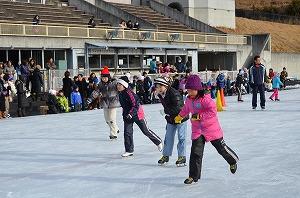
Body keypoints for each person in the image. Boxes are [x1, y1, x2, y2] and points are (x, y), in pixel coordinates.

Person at [174, 75, 239, 184]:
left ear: (197, 89)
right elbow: (185, 109)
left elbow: (212, 111)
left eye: (191, 90)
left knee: (221, 149)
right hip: (197, 130)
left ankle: (233, 161)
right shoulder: (189, 100)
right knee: (195, 153)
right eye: (188, 89)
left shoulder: (205, 99)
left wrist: (200, 116)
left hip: (211, 129)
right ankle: (193, 176)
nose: (189, 92)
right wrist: (180, 116)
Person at [116, 76, 163, 157]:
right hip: (127, 116)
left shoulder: (129, 93)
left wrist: (131, 113)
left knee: (145, 131)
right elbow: (124, 106)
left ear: (124, 85)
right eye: (117, 84)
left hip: (137, 114)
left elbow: (136, 104)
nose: (118, 86)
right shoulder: (120, 94)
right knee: (127, 133)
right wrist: (126, 115)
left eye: (120, 84)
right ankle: (129, 150)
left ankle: (158, 142)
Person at [154, 77, 188, 166]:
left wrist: (166, 111)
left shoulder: (174, 93)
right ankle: (166, 155)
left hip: (181, 117)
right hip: (171, 118)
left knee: (181, 137)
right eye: (157, 87)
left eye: (159, 87)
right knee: (168, 137)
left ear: (165, 86)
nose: (157, 89)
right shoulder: (161, 94)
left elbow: (179, 108)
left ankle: (182, 156)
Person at [97, 66, 120, 140]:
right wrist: (90, 99)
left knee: (112, 119)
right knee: (107, 120)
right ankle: (116, 128)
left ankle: (113, 134)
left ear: (108, 77)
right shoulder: (100, 84)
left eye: (105, 77)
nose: (104, 79)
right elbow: (96, 92)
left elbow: (121, 88)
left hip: (113, 103)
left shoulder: (114, 83)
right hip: (105, 103)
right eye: (103, 78)